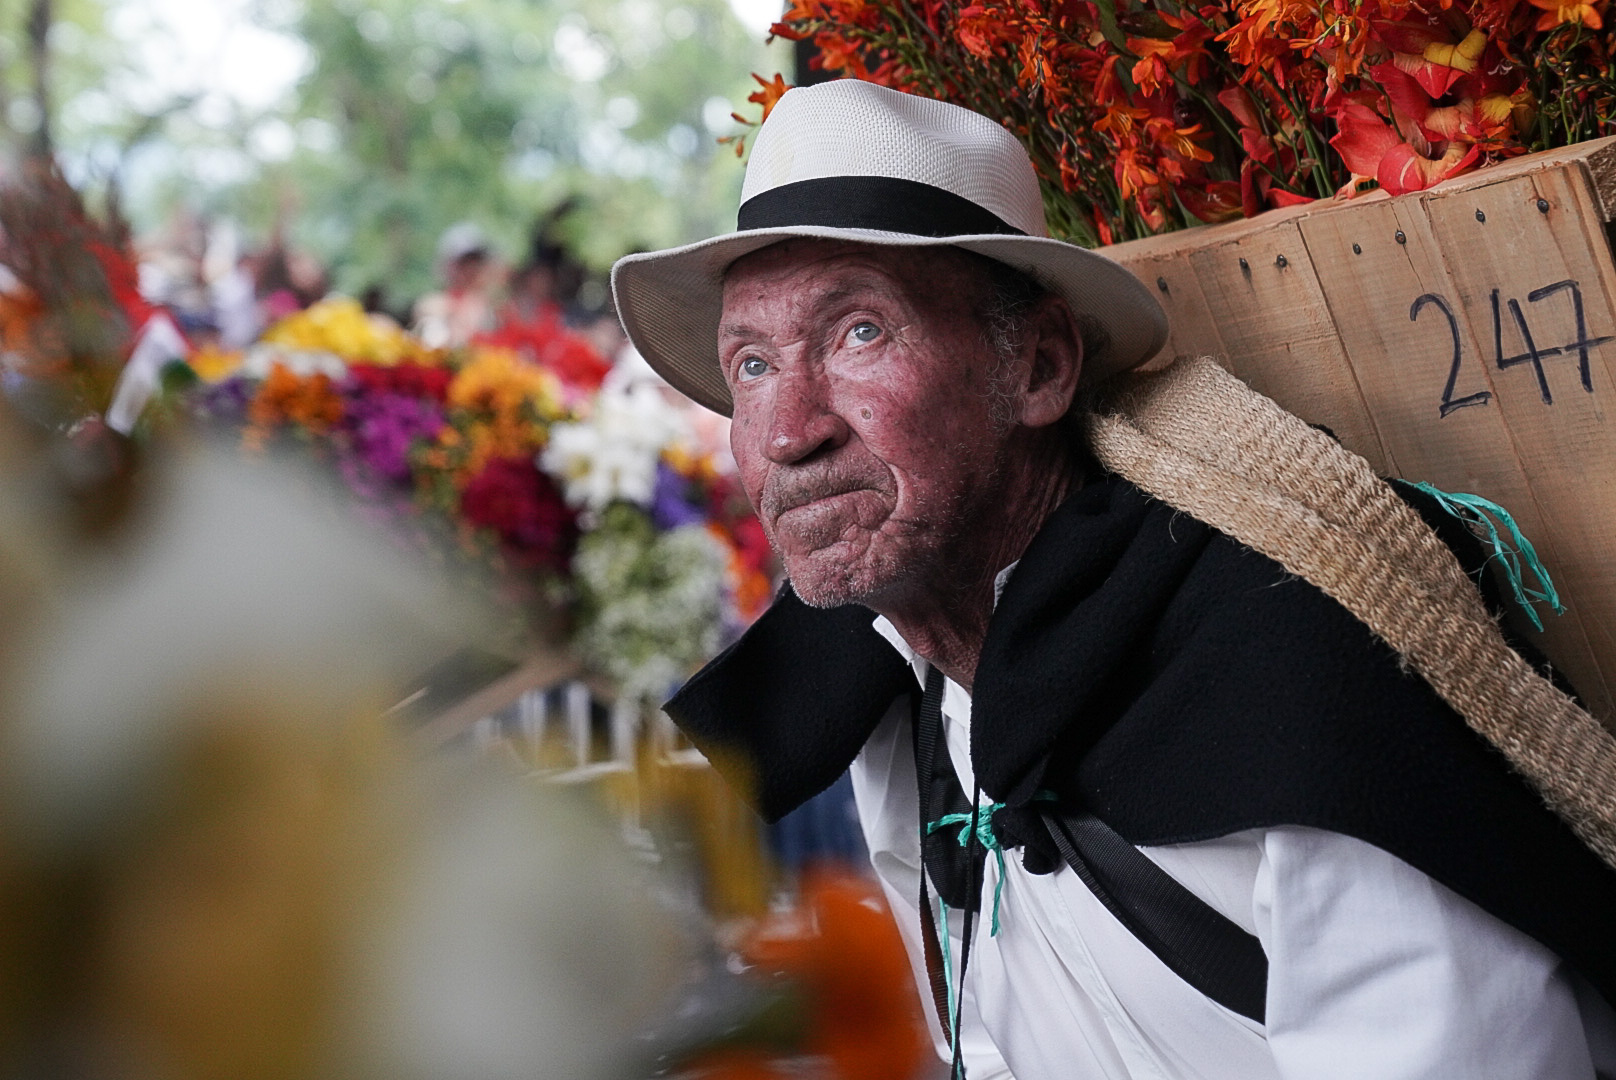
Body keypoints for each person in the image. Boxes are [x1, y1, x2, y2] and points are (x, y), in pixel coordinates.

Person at [611, 80, 1616, 1079]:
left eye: (858, 332)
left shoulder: (1284, 678)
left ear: (1039, 368)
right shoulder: (889, 690)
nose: (788, 431)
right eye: (748, 365)